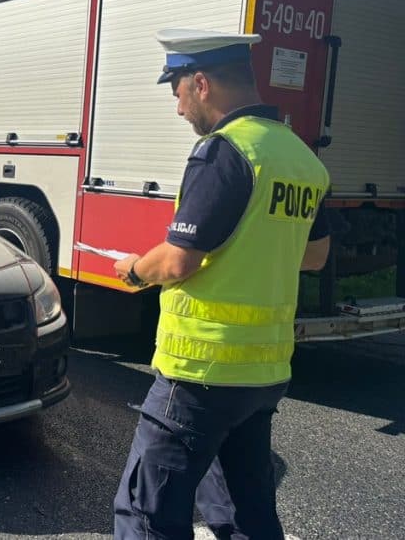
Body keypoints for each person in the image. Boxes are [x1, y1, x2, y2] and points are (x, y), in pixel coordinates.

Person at [111, 29, 332, 539]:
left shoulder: (225, 152)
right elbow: (316, 255)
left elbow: (178, 262)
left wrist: (134, 269)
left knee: (147, 514)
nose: (179, 108)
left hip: (200, 373)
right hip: (264, 373)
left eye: (178, 92)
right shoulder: (302, 159)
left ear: (202, 83)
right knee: (245, 511)